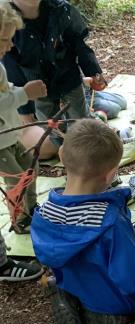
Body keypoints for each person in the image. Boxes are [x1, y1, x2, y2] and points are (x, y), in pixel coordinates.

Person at [30, 119, 135, 324]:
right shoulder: (109, 221)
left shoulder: (44, 214)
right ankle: (107, 313)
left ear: (62, 154)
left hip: (80, 285)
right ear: (111, 175)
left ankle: (73, 294)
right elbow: (133, 282)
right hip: (118, 298)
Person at [3, 0, 106, 160]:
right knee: (51, 126)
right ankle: (70, 157)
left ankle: (87, 154)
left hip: (68, 76)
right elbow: (12, 69)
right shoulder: (6, 20)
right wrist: (26, 110)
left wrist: (93, 71)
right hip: (37, 85)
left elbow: (78, 43)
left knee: (80, 120)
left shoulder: (61, 9)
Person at [0, 1, 47, 232]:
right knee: (15, 178)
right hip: (0, 142)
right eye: (4, 40)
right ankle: (19, 221)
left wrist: (17, 90)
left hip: (9, 135)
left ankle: (33, 208)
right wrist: (24, 93)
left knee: (31, 167)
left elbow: (4, 90)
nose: (9, 46)